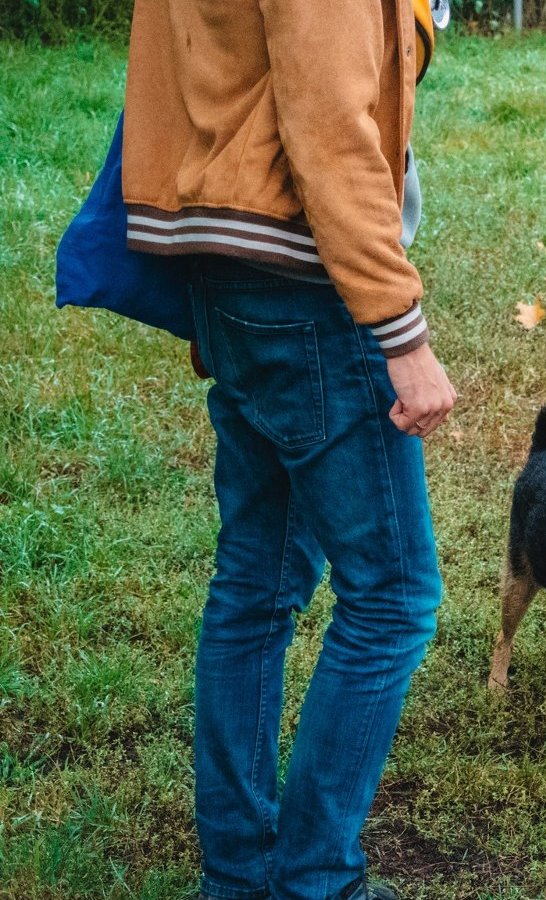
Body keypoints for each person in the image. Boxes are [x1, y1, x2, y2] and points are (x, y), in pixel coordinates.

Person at [122, 0, 455, 897]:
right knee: (392, 599)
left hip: (228, 266)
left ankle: (237, 877)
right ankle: (317, 881)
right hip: (305, 280)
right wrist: (401, 332)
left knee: (255, 586)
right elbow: (328, 123)